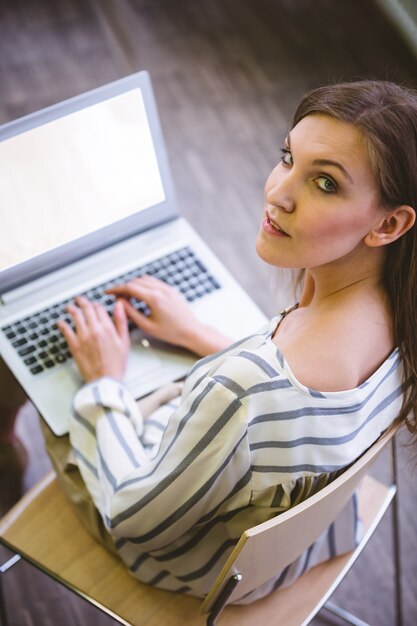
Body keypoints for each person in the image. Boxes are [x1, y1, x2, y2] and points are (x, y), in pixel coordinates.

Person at [1, 79, 416, 602]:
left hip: (196, 567)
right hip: (303, 545)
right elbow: (286, 412)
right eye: (288, 157)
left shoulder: (241, 387)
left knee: (36, 357)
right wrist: (200, 336)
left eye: (325, 183)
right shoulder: (399, 321)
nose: (277, 193)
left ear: (390, 223)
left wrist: (103, 384)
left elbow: (135, 518)